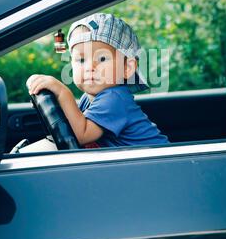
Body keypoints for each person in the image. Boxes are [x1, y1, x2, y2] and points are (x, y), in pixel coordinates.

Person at [27, 13, 169, 148]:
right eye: (81, 60)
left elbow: (80, 135)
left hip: (161, 168)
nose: (90, 67)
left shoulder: (115, 98)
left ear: (127, 67)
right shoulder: (88, 99)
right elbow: (71, 127)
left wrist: (63, 93)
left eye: (102, 58)